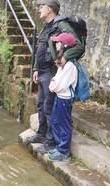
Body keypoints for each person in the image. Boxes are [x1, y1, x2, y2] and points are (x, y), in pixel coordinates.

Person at [26, 0, 84, 155]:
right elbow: (42, 48)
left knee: (49, 107)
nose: (39, 9)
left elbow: (78, 45)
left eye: (42, 7)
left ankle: (51, 142)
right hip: (43, 71)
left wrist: (65, 57)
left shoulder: (61, 25)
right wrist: (36, 68)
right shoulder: (46, 27)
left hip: (52, 72)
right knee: (41, 105)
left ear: (50, 9)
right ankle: (41, 133)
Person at [48, 32, 78, 162]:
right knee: (55, 120)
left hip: (65, 99)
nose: (56, 44)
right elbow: (56, 79)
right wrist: (53, 84)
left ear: (64, 45)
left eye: (58, 42)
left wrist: (53, 85)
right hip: (60, 97)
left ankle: (64, 152)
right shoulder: (63, 62)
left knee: (64, 125)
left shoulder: (70, 65)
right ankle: (60, 147)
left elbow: (60, 84)